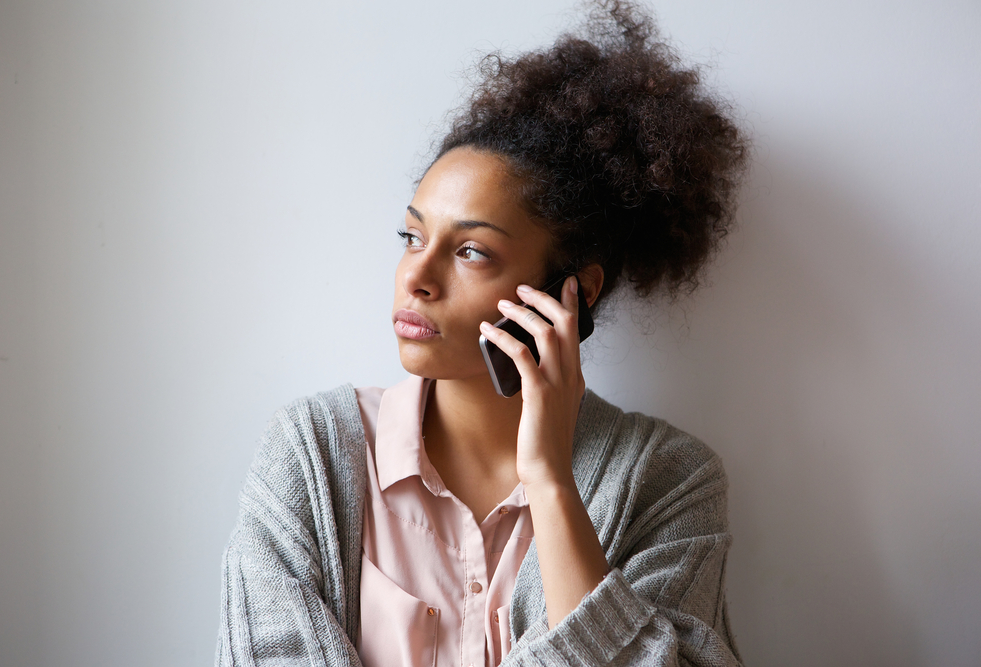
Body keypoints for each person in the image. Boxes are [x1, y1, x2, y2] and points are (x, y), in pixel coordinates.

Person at [215, 2, 750, 665]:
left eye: (471, 251)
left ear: (572, 290)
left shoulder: (670, 480)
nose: (418, 276)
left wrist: (551, 480)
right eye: (412, 236)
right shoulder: (311, 456)